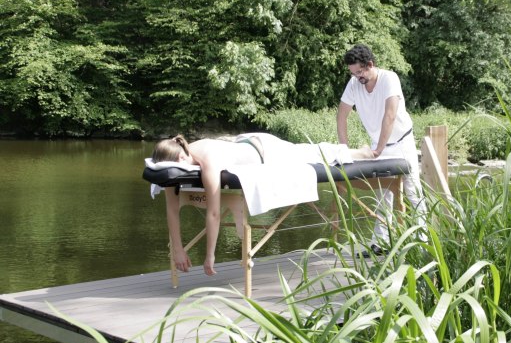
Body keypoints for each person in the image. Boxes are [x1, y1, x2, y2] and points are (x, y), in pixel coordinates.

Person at [151, 133, 374, 276]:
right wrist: (177, 251)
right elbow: (171, 209)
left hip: (264, 149)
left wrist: (210, 256)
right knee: (307, 150)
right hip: (239, 142)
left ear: (181, 159)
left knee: (310, 152)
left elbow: (214, 213)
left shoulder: (208, 162)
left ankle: (361, 152)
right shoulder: (174, 167)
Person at [337, 44, 427, 254]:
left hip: (401, 143)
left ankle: (423, 243)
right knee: (381, 196)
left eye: (360, 72)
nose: (357, 77)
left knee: (413, 192)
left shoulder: (389, 79)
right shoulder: (354, 84)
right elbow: (342, 115)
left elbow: (390, 115)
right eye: (353, 73)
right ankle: (380, 244)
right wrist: (344, 147)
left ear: (370, 64)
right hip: (378, 147)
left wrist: (378, 149)